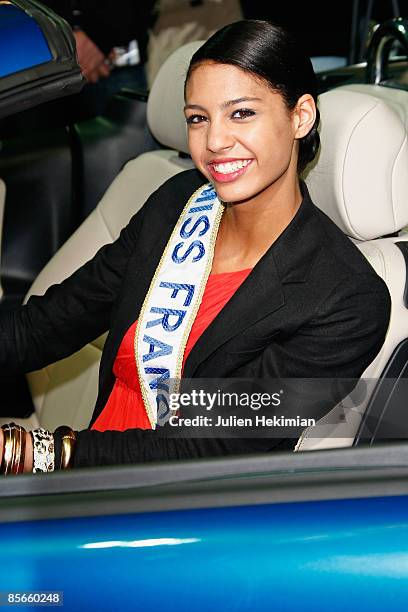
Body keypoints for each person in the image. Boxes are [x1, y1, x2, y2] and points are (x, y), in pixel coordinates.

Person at [0, 20, 390, 474]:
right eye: (198, 118)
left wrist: (29, 452)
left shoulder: (345, 298)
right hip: (87, 461)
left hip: (179, 504)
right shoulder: (177, 203)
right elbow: (47, 324)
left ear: (301, 116)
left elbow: (211, 447)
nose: (215, 142)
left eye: (241, 113)